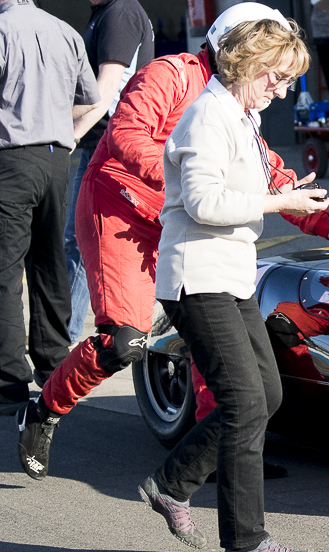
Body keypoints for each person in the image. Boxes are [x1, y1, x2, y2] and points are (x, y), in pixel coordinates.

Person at [16, 2, 329, 482]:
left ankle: (222, 451)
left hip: (184, 217)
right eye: (273, 69)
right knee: (123, 341)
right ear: (239, 49)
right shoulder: (171, 74)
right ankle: (44, 410)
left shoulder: (241, 104)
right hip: (122, 208)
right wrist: (190, 179)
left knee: (212, 330)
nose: (279, 88)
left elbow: (271, 175)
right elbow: (125, 135)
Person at [142, 18, 326, 552]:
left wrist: (288, 194)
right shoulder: (207, 116)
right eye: (277, 76)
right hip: (198, 277)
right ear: (247, 63)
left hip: (229, 276)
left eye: (288, 79)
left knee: (265, 394)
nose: (282, 89)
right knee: (245, 402)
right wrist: (279, 203)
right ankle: (246, 542)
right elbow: (204, 203)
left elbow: (240, 187)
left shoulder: (241, 115)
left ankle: (172, 484)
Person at [0, 0, 100, 417]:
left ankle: (8, 382)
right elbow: (90, 100)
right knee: (49, 262)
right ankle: (54, 366)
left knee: (5, 272)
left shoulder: (3, 29)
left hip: (10, 158)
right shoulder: (65, 31)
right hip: (57, 157)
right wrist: (53, 117)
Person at [65, 0, 154, 344]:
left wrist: (71, 134)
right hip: (105, 142)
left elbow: (106, 89)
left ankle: (66, 335)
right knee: (85, 239)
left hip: (108, 145)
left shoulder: (120, 13)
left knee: (82, 240)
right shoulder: (107, 11)